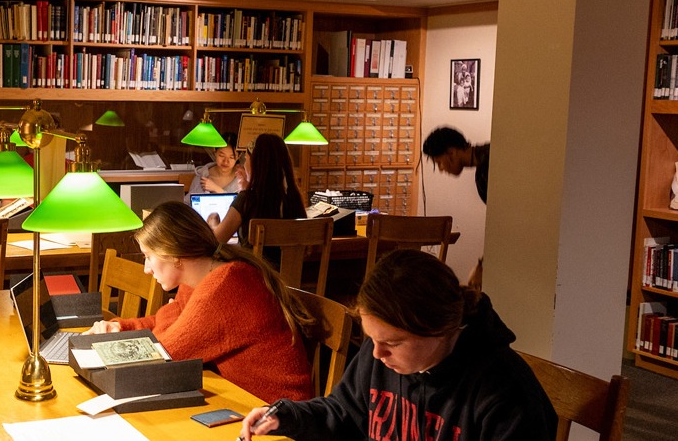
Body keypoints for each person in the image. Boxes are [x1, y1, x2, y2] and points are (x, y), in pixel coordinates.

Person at [239, 249, 556, 441]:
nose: (377, 354)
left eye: (392, 342)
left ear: (439, 329)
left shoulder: (505, 393)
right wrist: (286, 416)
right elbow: (343, 412)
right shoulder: (380, 357)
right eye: (371, 340)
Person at [84, 202, 316, 404]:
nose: (146, 269)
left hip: (277, 418)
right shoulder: (205, 275)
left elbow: (164, 354)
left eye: (148, 256)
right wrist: (119, 328)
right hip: (242, 401)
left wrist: (167, 322)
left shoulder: (224, 288)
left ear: (174, 254)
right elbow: (167, 323)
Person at [212, 133, 306, 247]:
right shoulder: (293, 199)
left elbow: (215, 242)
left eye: (246, 158)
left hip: (254, 265)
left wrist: (212, 222)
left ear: (254, 163)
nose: (244, 164)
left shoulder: (246, 201)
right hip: (292, 265)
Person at [422, 126, 490, 204]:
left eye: (439, 163)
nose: (441, 169)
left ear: (451, 153)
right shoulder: (494, 149)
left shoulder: (483, 173)